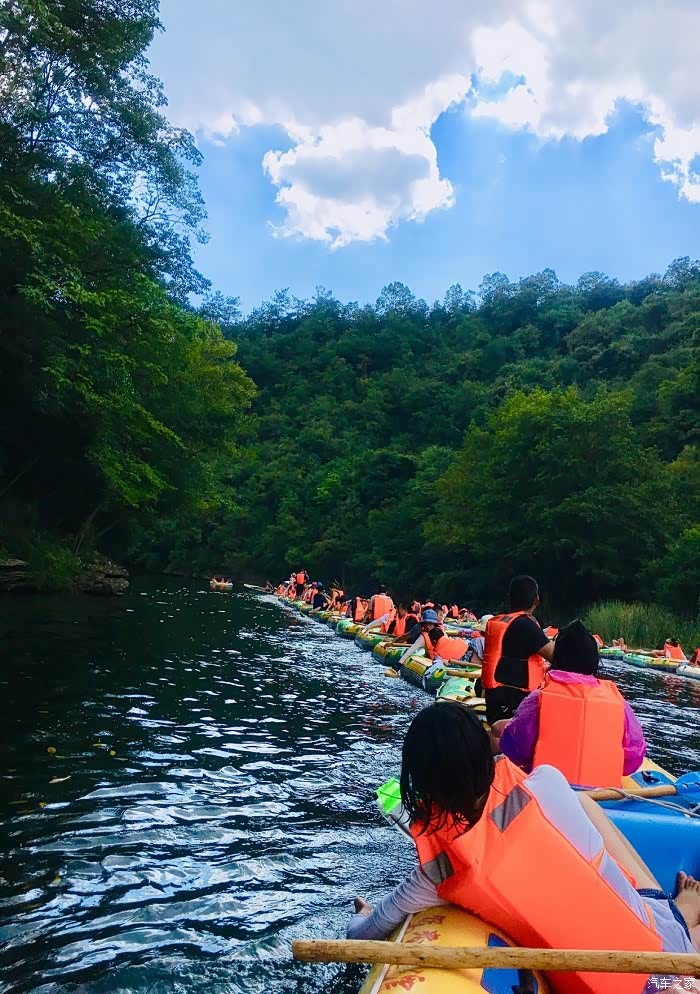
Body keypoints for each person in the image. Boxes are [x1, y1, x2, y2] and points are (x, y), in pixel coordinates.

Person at [347, 702, 700, 993]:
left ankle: (684, 911)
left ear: (422, 786)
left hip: (633, 979)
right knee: (598, 827)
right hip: (663, 953)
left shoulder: (439, 872)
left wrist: (362, 916)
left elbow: (362, 936)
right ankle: (682, 912)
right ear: (486, 753)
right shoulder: (547, 783)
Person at [493, 620, 646, 787]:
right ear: (593, 661)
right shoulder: (619, 702)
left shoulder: (538, 699)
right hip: (603, 795)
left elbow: (515, 750)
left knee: (495, 730)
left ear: (557, 658)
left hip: (548, 794)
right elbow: (633, 759)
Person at [482, 575, 555, 725]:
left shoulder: (499, 621)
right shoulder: (526, 625)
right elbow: (557, 656)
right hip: (516, 704)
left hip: (494, 701)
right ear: (537, 600)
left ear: (509, 598)